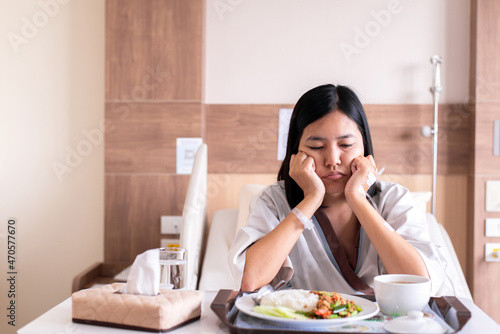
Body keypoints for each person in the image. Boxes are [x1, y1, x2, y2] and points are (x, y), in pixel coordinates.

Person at [228, 84, 451, 295]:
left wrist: (357, 199)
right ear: (296, 151)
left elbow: (421, 283)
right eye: (316, 147)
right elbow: (250, 280)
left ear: (364, 146)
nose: (333, 160)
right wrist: (311, 199)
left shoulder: (394, 199)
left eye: (345, 145)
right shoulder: (274, 201)